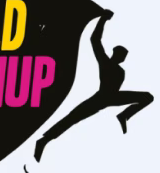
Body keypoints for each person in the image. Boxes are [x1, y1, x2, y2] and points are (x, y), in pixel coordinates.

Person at [33, 10, 153, 162]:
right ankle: (44, 140)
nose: (124, 58)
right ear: (116, 53)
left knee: (148, 97)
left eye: (125, 56)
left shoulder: (120, 71)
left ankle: (124, 115)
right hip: (101, 97)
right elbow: (95, 39)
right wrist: (103, 19)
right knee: (72, 117)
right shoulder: (105, 62)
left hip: (114, 97)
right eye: (122, 54)